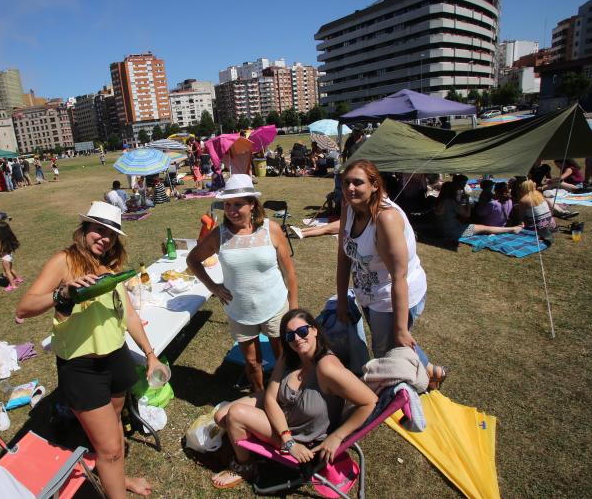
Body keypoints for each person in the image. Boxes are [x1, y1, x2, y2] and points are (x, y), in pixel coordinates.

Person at [15, 201, 159, 498]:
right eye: (98, 230)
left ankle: (119, 477)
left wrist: (150, 354)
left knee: (114, 431)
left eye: (110, 234)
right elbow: (24, 308)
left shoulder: (110, 265)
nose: (104, 238)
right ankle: (116, 485)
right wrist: (62, 293)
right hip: (82, 368)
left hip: (116, 358)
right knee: (109, 448)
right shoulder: (64, 261)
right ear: (84, 229)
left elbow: (128, 314)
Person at [209, 308, 377, 489]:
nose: (297, 339)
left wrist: (336, 436)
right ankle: (246, 436)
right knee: (221, 416)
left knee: (235, 414)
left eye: (302, 331)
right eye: (290, 336)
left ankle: (245, 466)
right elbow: (271, 398)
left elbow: (370, 401)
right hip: (284, 415)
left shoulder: (327, 368)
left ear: (315, 330)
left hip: (301, 432)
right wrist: (286, 439)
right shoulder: (291, 354)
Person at [336, 160, 446, 384]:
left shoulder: (386, 219)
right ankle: (432, 371)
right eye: (346, 182)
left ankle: (408, 391)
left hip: (392, 294)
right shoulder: (349, 207)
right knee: (391, 345)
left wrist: (400, 327)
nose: (350, 188)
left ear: (375, 185)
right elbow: (343, 256)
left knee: (388, 352)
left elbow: (399, 276)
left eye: (358, 182)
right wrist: (341, 300)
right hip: (370, 293)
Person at [187, 174, 298, 392]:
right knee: (253, 362)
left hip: (275, 305)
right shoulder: (219, 235)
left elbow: (290, 273)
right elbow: (193, 260)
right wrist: (213, 287)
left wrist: (293, 309)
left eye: (238, 204)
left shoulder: (271, 229)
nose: (231, 210)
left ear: (252, 204)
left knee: (283, 358)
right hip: (239, 310)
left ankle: (287, 394)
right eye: (227, 204)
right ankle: (260, 395)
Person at [435, 181, 522, 240]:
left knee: (478, 225)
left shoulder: (440, 201)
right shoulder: (451, 202)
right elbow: (467, 214)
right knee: (485, 228)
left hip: (442, 230)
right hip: (453, 232)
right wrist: (468, 201)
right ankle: (512, 229)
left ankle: (512, 229)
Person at [0, 220, 23, 291]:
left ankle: (13, 285)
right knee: (10, 269)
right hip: (9, 255)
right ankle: (18, 279)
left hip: (5, 258)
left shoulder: (0, 239)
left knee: (7, 272)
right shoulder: (8, 236)